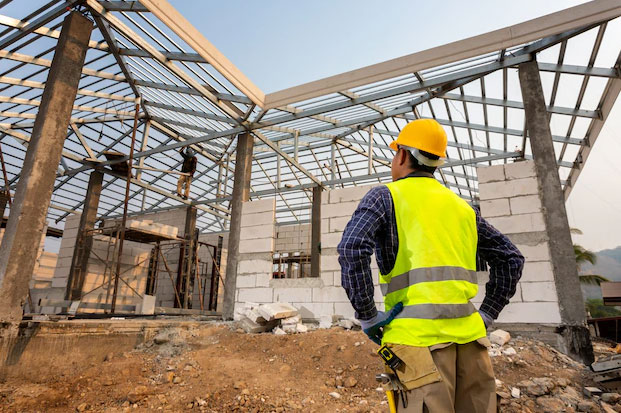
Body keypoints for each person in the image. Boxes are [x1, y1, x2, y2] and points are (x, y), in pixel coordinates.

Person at [337, 119, 524, 412]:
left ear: (401, 155)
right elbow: (510, 258)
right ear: (435, 161)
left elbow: (352, 248)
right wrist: (485, 315)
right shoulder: (463, 208)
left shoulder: (386, 197)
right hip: (472, 346)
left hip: (416, 346)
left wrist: (368, 315)